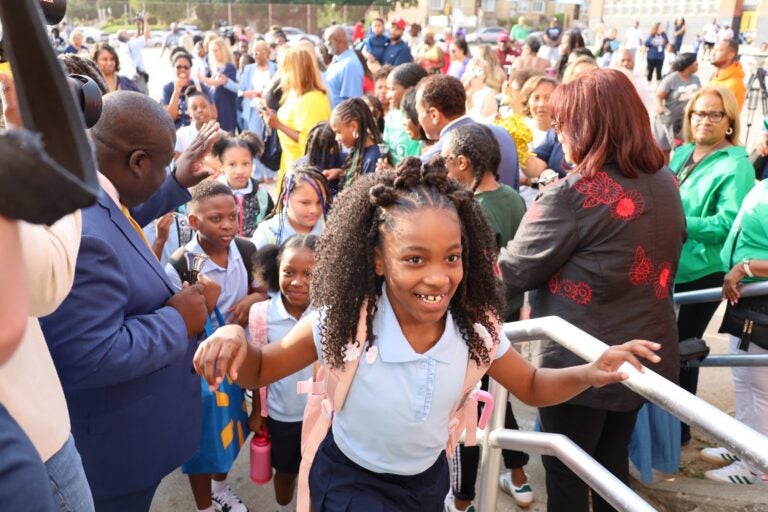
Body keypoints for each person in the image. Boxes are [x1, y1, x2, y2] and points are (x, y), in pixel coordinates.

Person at [195, 157, 663, 512]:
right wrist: (235, 340)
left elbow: (533, 387)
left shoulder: (474, 329)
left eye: (452, 257)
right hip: (350, 482)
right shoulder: (344, 320)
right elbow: (261, 366)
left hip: (426, 480)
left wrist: (590, 372)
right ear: (378, 260)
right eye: (414, 259)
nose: (437, 277)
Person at [498, 68, 685, 512]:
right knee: (610, 469)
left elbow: (512, 270)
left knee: (568, 471)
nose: (557, 133)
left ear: (588, 125)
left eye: (563, 123)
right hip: (645, 352)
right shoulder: (665, 182)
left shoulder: (572, 194)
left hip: (580, 361)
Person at [39, 93, 220, 512]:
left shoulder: (85, 184)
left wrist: (174, 179)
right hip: (116, 458)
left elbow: (120, 214)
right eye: (159, 165)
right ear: (138, 162)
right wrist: (178, 319)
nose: (160, 175)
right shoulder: (84, 235)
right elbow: (89, 353)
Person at [440, 125, 532, 511]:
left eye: (446, 161)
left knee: (470, 409)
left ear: (462, 162)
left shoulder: (470, 211)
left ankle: (462, 500)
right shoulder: (513, 198)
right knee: (500, 396)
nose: (444, 169)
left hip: (478, 326)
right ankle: (519, 475)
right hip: (508, 317)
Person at [668, 86, 755, 446]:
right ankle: (669, 426)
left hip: (703, 271)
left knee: (683, 348)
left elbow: (729, 222)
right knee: (668, 347)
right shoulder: (684, 151)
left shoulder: (736, 164)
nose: (705, 120)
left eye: (714, 114)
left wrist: (679, 221)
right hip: (672, 264)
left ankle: (680, 428)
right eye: (698, 113)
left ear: (730, 121)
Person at [166, 181, 251, 512]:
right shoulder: (180, 265)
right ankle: (204, 506)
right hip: (197, 368)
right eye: (216, 218)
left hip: (236, 362)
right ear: (193, 222)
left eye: (233, 216)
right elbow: (172, 325)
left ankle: (220, 488)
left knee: (231, 428)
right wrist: (205, 305)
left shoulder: (245, 250)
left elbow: (262, 288)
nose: (228, 224)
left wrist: (256, 297)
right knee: (202, 441)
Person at [701, 179, 768, 485]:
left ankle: (756, 467)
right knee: (744, 380)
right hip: (746, 299)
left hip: (761, 300)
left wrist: (745, 267)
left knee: (761, 390)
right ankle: (741, 447)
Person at [248, 234, 318, 512]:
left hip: (323, 417)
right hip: (282, 415)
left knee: (317, 475)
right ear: (275, 271)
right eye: (289, 272)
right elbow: (257, 369)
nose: (298, 282)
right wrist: (257, 411)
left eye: (309, 274)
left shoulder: (331, 312)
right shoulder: (262, 315)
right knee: (286, 474)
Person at [418, 74, 519, 190]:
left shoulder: (429, 162)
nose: (418, 119)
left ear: (434, 114)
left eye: (419, 111)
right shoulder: (503, 134)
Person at [261, 46, 331, 186]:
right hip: (288, 162)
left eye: (284, 68)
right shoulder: (293, 94)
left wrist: (278, 125)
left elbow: (310, 142)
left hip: (303, 170)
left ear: (296, 70)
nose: (281, 74)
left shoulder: (312, 99)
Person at [251, 164, 331, 249]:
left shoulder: (329, 228)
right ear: (286, 199)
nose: (314, 210)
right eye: (305, 203)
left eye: (320, 202)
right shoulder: (267, 234)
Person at [212, 131, 275, 238]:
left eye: (245, 164)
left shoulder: (261, 194)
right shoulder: (212, 194)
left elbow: (270, 225)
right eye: (232, 164)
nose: (240, 171)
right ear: (221, 165)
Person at [326, 97, 384, 191]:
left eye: (338, 132)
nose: (336, 138)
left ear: (353, 126)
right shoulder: (358, 150)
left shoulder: (372, 160)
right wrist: (340, 173)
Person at [653, 52, 701, 163]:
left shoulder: (696, 79)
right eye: (695, 63)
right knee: (664, 150)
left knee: (683, 149)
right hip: (666, 121)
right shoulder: (671, 79)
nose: (697, 65)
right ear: (687, 65)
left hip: (684, 122)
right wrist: (659, 106)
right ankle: (665, 175)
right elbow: (658, 96)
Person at [384, 63, 428, 166]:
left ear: (410, 90)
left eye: (392, 89)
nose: (388, 95)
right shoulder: (392, 116)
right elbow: (385, 148)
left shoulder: (422, 119)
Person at [162, 52, 212, 130]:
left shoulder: (200, 86)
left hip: (198, 132)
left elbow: (213, 113)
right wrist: (176, 90)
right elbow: (169, 118)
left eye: (186, 67)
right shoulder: (168, 88)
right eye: (178, 67)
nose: (182, 70)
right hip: (177, 134)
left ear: (190, 69)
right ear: (173, 68)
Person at [199, 37, 239, 132]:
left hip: (226, 108)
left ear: (223, 50)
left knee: (227, 135)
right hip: (216, 107)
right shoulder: (216, 69)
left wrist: (202, 78)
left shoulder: (228, 67)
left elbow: (219, 82)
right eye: (212, 51)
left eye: (216, 50)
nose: (214, 54)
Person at [324, 26, 365, 108]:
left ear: (339, 41)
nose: (326, 45)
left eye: (329, 42)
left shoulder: (350, 64)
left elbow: (353, 103)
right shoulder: (337, 59)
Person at [710, 39, 746, 111]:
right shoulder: (716, 75)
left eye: (718, 50)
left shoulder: (734, 84)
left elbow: (731, 115)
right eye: (713, 49)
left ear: (730, 55)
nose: (713, 53)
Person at [463, 57, 500, 123]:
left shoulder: (489, 93)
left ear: (485, 75)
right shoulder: (463, 91)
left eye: (479, 71)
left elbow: (485, 121)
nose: (475, 74)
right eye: (472, 70)